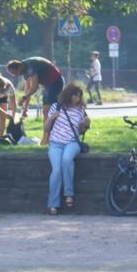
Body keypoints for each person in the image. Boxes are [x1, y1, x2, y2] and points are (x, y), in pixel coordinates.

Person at [41, 83, 91, 215]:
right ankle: (53, 204)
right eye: (75, 96)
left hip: (72, 142)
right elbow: (46, 130)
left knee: (67, 159)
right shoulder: (56, 107)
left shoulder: (80, 110)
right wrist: (51, 118)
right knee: (56, 170)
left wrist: (84, 125)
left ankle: (69, 194)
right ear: (69, 95)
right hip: (55, 143)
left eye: (79, 97)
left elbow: (79, 131)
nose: (77, 99)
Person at [7, 56, 64, 120]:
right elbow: (28, 89)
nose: (14, 75)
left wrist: (23, 99)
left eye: (14, 72)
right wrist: (25, 108)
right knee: (45, 112)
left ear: (19, 67)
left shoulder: (30, 66)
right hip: (47, 85)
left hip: (56, 82)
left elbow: (34, 87)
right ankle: (46, 130)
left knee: (47, 110)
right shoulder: (24, 70)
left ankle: (55, 127)